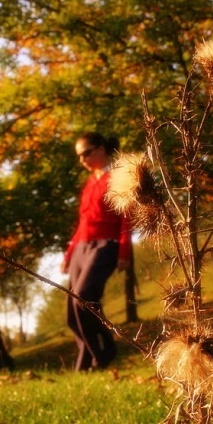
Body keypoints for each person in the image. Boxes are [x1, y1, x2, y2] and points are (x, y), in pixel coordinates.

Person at [61, 132, 133, 371]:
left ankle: (104, 352)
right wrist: (69, 253)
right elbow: (83, 221)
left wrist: (124, 252)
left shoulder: (119, 177)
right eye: (79, 156)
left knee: (83, 300)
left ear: (101, 148)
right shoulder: (91, 181)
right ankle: (84, 364)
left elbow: (127, 218)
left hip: (106, 245)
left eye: (86, 153)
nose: (82, 159)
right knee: (72, 312)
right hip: (82, 247)